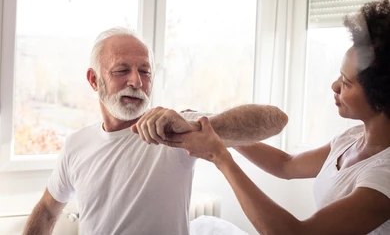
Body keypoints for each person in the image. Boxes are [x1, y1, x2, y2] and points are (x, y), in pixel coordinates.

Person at [138, 0, 390, 234]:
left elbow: (295, 233)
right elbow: (285, 164)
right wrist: (214, 129)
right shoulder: (351, 138)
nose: (334, 86)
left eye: (346, 83)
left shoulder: (384, 173)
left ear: (380, 96)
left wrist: (220, 156)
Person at [23, 27, 288, 235]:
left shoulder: (176, 129)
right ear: (94, 80)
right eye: (121, 70)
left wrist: (194, 128)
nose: (136, 81)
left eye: (145, 71)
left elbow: (275, 120)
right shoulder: (76, 144)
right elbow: (47, 209)